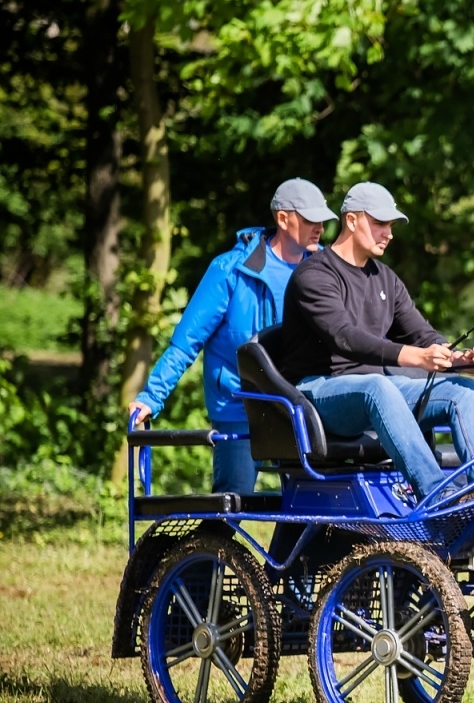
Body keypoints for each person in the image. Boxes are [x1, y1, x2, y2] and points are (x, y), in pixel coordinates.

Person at [271, 181, 474, 498]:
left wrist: (457, 359)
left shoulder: (385, 277)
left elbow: (421, 333)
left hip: (378, 391)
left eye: (390, 225)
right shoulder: (314, 275)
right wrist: (416, 357)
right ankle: (437, 494)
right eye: (379, 223)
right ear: (351, 220)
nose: (388, 233)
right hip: (317, 391)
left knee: (465, 391)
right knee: (379, 386)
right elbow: (345, 338)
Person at [130, 179, 336, 494]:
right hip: (241, 409)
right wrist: (151, 397)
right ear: (282, 219)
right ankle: (207, 546)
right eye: (310, 219)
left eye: (322, 219)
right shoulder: (230, 270)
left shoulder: (327, 270)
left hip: (304, 408)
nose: (320, 227)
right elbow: (186, 343)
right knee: (232, 503)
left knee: (313, 505)